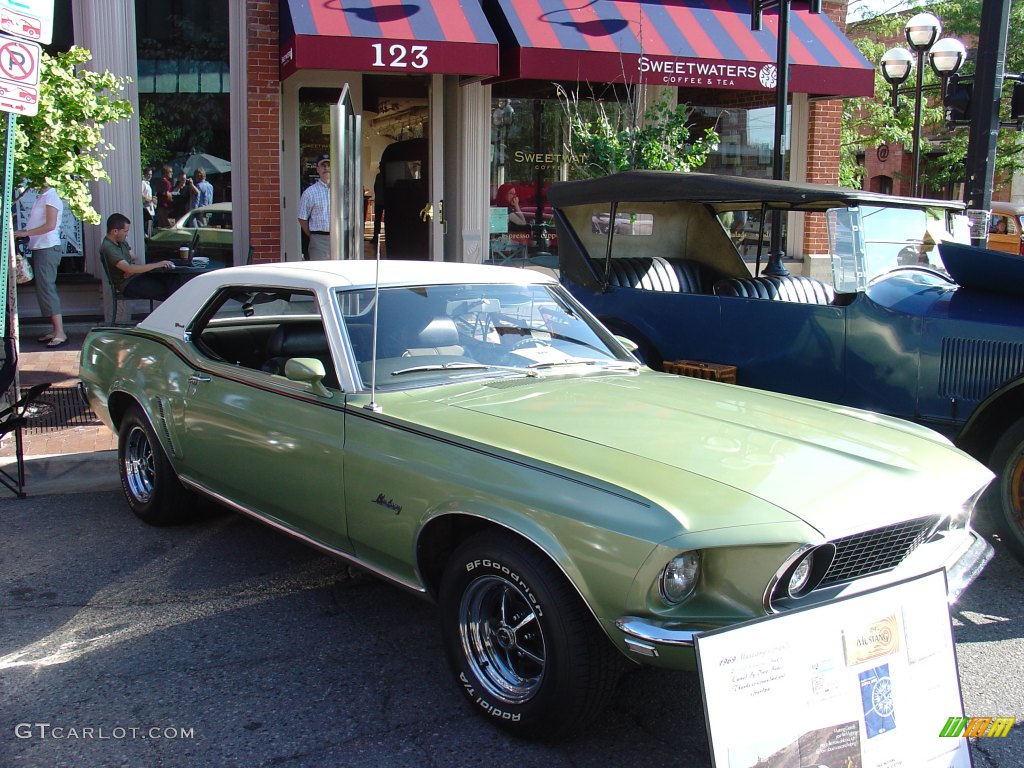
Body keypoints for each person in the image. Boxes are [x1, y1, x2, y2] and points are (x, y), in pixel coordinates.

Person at [14, 185, 66, 347]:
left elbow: (50, 225)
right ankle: (54, 330)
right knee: (43, 289)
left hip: (48, 248)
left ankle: (60, 333)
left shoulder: (51, 196)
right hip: (40, 248)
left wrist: (24, 233)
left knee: (47, 288)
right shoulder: (43, 196)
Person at [100, 213, 174, 301]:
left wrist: (132, 269)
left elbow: (134, 258)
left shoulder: (121, 241)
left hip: (136, 276)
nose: (127, 234)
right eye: (125, 231)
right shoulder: (108, 247)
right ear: (115, 231)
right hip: (127, 284)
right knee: (166, 290)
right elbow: (128, 268)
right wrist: (158, 264)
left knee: (172, 278)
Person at [298, 154, 331, 260]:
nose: (326, 168)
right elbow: (302, 218)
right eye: (323, 165)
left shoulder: (341, 190)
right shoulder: (309, 193)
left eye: (328, 165)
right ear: (317, 169)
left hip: (339, 239)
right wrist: (313, 236)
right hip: (319, 241)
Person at [371, 167, 385, 247]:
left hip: (379, 200)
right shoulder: (379, 176)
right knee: (377, 220)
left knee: (377, 220)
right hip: (381, 200)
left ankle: (376, 237)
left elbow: (375, 187)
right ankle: (376, 237)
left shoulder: (379, 176)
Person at [140, 168, 155, 237]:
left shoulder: (148, 184)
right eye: (148, 174)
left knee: (150, 231)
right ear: (144, 174)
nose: (150, 176)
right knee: (147, 232)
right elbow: (141, 195)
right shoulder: (142, 183)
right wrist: (149, 199)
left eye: (151, 174)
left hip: (151, 210)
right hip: (146, 210)